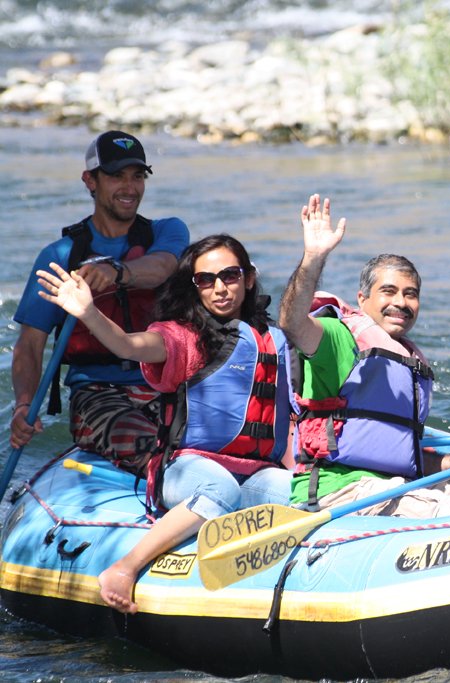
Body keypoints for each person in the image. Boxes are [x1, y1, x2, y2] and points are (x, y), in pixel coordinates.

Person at [36, 234, 294, 613]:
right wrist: (89, 313)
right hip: (186, 470)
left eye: (230, 276)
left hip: (254, 471)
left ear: (249, 279)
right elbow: (128, 345)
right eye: (206, 280)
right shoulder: (181, 337)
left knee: (293, 492)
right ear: (194, 288)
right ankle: (123, 569)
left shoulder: (272, 339)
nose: (220, 288)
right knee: (217, 487)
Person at [280, 195, 450, 517]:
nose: (400, 302)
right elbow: (291, 322)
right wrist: (313, 259)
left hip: (393, 482)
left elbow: (403, 453)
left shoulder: (409, 361)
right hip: (341, 491)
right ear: (363, 299)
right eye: (388, 291)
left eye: (410, 294)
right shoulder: (338, 339)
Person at [11, 131, 189, 476]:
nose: (129, 187)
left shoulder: (168, 232)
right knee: (158, 453)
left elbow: (162, 267)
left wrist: (115, 271)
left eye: (137, 176)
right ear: (89, 181)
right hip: (97, 392)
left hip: (166, 385)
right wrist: (22, 407)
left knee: (220, 441)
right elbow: (31, 345)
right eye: (116, 176)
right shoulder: (61, 256)